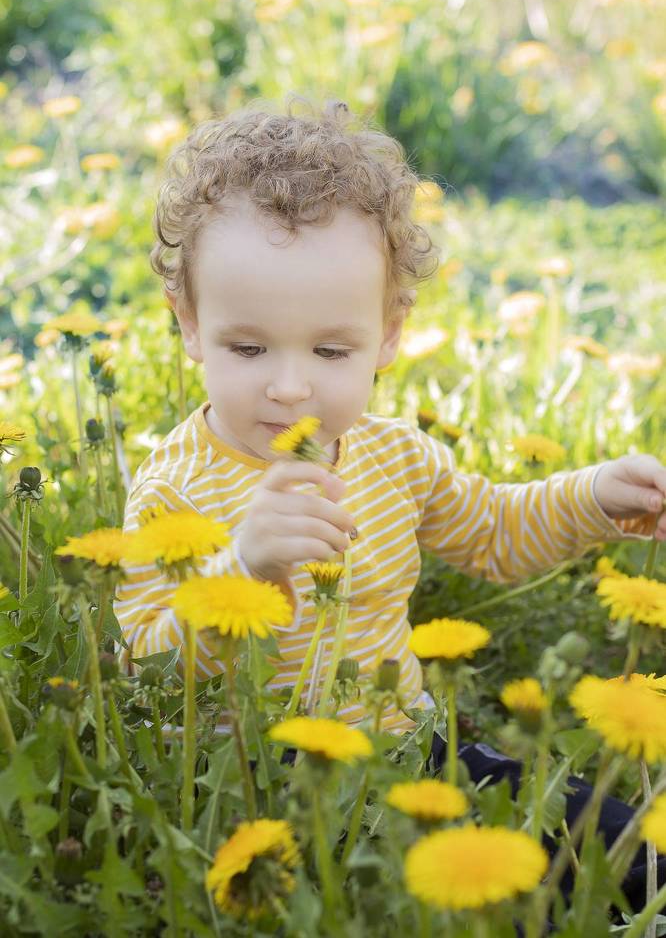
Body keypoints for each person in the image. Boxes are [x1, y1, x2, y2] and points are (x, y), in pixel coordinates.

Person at [113, 95, 665, 908]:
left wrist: (592, 496)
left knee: (619, 842)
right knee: (496, 906)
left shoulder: (393, 455)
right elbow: (144, 668)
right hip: (263, 796)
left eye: (333, 350)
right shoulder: (174, 487)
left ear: (391, 333)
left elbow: (493, 533)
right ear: (190, 324)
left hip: (415, 759)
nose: (290, 385)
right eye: (248, 346)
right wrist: (241, 570)